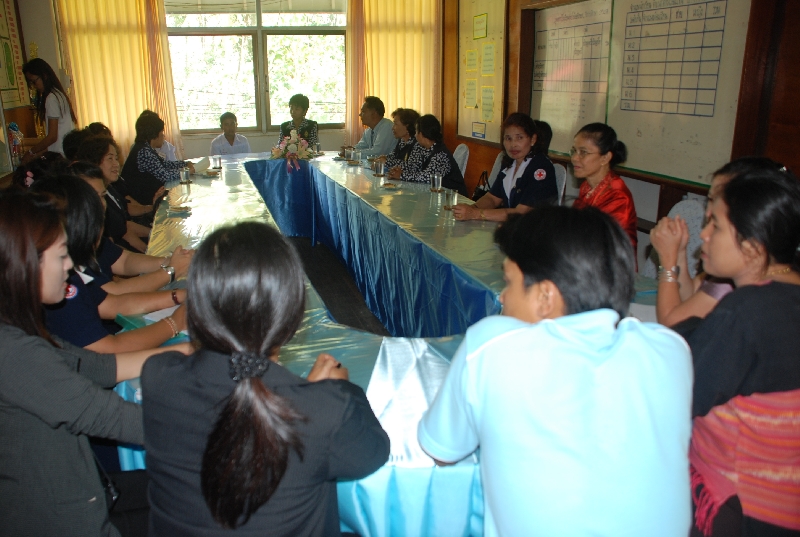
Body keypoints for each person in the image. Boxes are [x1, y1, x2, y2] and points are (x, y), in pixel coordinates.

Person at [418, 206, 693, 537]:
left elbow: (441, 451)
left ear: (546, 297)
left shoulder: (493, 345)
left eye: (509, 283)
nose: (502, 297)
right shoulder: (671, 350)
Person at [142, 221, 390, 536]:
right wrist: (339, 390)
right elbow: (373, 453)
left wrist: (313, 396)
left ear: (197, 305)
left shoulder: (158, 376)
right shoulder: (324, 411)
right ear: (292, 317)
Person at [0, 190, 189, 536]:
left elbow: (96, 366)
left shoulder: (19, 330)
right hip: (64, 517)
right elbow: (110, 416)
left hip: (83, 488)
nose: (69, 266)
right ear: (25, 263)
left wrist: (190, 352)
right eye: (61, 256)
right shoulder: (13, 352)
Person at [670, 168, 800, 537]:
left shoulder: (745, 310)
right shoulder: (784, 297)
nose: (704, 234)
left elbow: (680, 399)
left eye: (716, 225)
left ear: (753, 247)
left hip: (738, 508)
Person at [32, 175, 188, 352]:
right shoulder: (63, 285)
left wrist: (180, 295)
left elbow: (113, 303)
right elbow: (109, 352)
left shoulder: (68, 273)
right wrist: (174, 323)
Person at [650, 157, 785, 327]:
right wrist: (679, 253)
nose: (709, 211)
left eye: (719, 200)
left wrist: (668, 262)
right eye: (710, 199)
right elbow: (691, 296)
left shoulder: (742, 269)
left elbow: (674, 324)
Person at [453, 113, 557, 222]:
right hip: (513, 226)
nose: (513, 144)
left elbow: (521, 213)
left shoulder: (541, 167)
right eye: (508, 138)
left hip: (537, 229)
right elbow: (493, 198)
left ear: (532, 139)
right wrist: (472, 208)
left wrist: (475, 214)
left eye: (519, 138)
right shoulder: (510, 163)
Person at [570, 123, 638, 255]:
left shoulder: (618, 195)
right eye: (574, 151)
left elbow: (603, 244)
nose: (574, 158)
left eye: (583, 152)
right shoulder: (586, 186)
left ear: (605, 158)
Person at [75, 137, 152, 252]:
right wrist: (148, 252)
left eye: (116, 158)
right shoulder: (92, 200)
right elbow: (116, 248)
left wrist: (153, 235)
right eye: (110, 158)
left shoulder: (110, 189)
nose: (116, 164)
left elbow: (125, 226)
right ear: (94, 162)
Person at [120, 110, 194, 207]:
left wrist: (185, 163)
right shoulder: (144, 152)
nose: (163, 135)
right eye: (162, 132)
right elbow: (165, 175)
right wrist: (187, 172)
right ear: (154, 135)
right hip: (141, 202)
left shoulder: (145, 147)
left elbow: (165, 164)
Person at [387, 114, 467, 196]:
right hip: (437, 194)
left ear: (421, 134)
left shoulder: (440, 154)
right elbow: (415, 167)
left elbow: (427, 177)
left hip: (453, 197)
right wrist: (398, 170)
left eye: (416, 132)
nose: (415, 135)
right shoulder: (426, 149)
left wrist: (401, 175)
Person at [21, 58, 77, 161]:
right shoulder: (58, 94)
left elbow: (52, 137)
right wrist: (36, 154)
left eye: (34, 81)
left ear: (44, 75)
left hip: (60, 157)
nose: (34, 86)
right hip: (64, 153)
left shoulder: (51, 98)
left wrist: (31, 152)